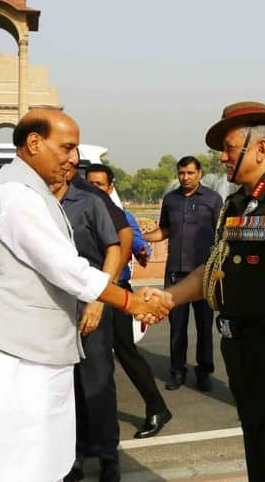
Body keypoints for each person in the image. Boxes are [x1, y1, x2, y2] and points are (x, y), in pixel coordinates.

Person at [0, 108, 171, 481]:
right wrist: (131, 301)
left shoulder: (37, 192)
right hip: (13, 359)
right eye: (67, 147)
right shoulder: (15, 195)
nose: (74, 158)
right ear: (34, 142)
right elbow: (64, 265)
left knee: (37, 461)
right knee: (10, 466)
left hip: (33, 353)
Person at [160, 101, 265, 482]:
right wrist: (168, 298)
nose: (222, 158)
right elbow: (215, 270)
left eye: (230, 148)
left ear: (261, 148)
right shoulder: (236, 204)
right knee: (257, 447)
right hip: (241, 349)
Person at [86, 163, 173, 439]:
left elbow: (132, 248)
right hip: (88, 295)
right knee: (91, 360)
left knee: (125, 353)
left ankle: (157, 408)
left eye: (99, 184)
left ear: (110, 187)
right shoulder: (76, 213)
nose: (93, 188)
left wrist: (142, 251)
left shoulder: (121, 217)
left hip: (115, 293)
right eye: (89, 183)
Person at [53, 161, 122, 482]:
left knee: (97, 384)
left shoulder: (90, 202)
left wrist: (99, 298)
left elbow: (114, 250)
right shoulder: (33, 205)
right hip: (52, 313)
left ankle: (109, 457)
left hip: (90, 306)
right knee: (65, 388)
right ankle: (74, 457)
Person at [144, 156, 222, 391]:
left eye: (190, 173)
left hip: (203, 273)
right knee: (177, 327)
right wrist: (141, 237)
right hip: (176, 273)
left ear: (199, 173)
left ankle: (204, 372)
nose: (185, 177)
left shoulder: (213, 199)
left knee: (204, 326)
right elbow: (165, 230)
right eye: (181, 173)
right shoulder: (171, 199)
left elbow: (221, 233)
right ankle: (177, 371)